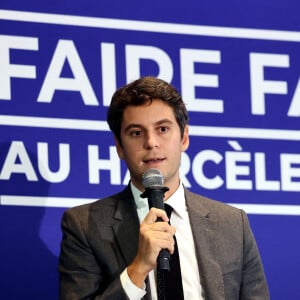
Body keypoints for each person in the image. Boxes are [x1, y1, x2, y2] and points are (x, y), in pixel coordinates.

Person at [58, 76, 269, 299]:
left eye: (163, 129)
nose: (151, 142)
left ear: (184, 137)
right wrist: (138, 269)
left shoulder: (233, 224)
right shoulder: (83, 225)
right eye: (136, 133)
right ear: (119, 146)